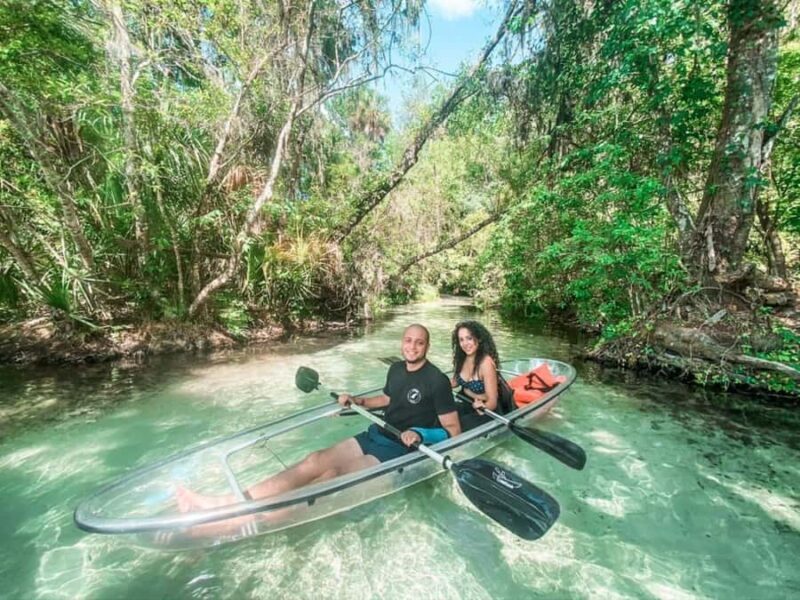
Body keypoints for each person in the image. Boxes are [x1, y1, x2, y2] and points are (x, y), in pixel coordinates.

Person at [176, 324, 460, 512]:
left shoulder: (437, 381)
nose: (412, 347)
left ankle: (250, 518)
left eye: (419, 343)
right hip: (377, 434)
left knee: (331, 476)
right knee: (315, 460)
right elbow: (387, 399)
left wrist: (421, 434)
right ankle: (227, 503)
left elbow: (453, 430)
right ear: (402, 342)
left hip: (401, 448)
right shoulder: (396, 369)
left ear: (427, 346)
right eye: (408, 341)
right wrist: (358, 400)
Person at [451, 320, 502, 431]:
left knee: (459, 426)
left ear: (479, 338)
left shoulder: (486, 363)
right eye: (461, 340)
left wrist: (483, 407)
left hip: (485, 408)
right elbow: (454, 382)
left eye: (469, 338)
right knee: (445, 415)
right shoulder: (462, 357)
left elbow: (492, 401)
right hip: (466, 401)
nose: (465, 344)